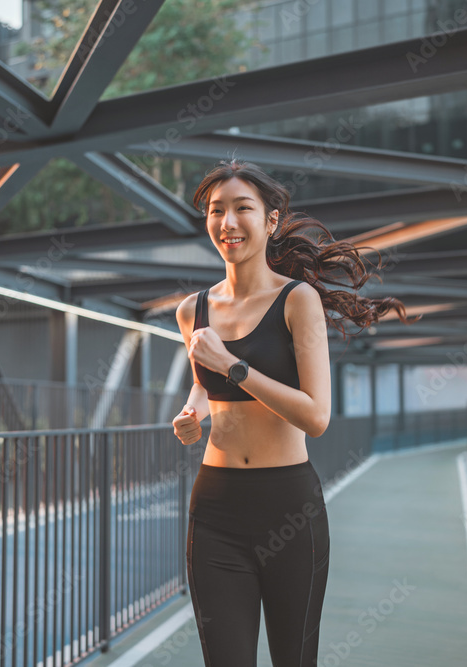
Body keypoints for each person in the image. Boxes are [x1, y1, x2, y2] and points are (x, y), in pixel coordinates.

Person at [172, 159, 418, 666]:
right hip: (215, 507)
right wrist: (192, 413)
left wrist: (234, 366)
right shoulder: (191, 310)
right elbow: (204, 383)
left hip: (287, 505)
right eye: (217, 210)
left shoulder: (296, 300)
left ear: (271, 222)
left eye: (243, 208)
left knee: (294, 659)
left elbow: (316, 416)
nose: (228, 222)